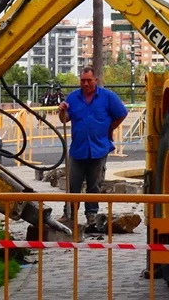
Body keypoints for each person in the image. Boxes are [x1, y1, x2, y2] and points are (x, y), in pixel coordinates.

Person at [58, 67, 128, 231]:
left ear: (95, 80)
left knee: (94, 184)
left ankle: (91, 215)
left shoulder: (107, 96)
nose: (86, 84)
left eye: (89, 80)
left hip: (98, 148)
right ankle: (69, 214)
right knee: (73, 184)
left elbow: (122, 113)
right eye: (83, 81)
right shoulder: (73, 98)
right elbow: (65, 119)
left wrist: (111, 128)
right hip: (78, 149)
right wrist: (62, 111)